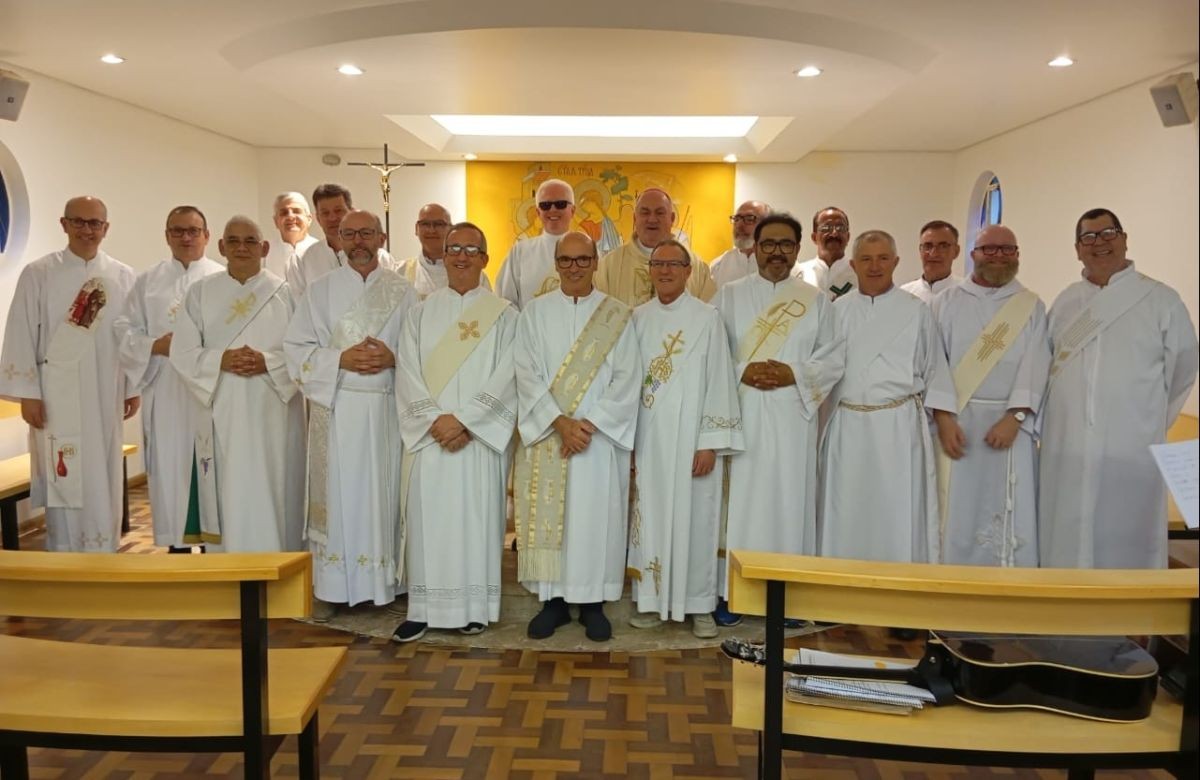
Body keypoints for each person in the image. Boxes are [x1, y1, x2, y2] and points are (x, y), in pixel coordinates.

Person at [1039, 208, 1198, 568]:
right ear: (1077, 249)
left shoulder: (1160, 300)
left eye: (1108, 233)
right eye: (1089, 237)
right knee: (1065, 534)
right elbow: (1047, 366)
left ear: (1125, 239)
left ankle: (1130, 621)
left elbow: (1184, 368)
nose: (1100, 243)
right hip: (1068, 445)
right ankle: (1062, 619)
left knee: (1126, 535)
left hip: (1131, 442)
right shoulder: (1065, 303)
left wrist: (1147, 417)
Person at [712, 213, 844, 626]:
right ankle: (732, 593)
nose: (776, 252)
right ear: (755, 246)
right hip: (742, 412)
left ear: (798, 248)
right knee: (740, 505)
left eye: (786, 244)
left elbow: (833, 357)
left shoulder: (816, 300)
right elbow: (712, 354)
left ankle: (784, 595)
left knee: (790, 500)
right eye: (768, 243)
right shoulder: (728, 296)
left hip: (792, 416)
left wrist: (793, 373)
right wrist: (741, 372)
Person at [285, 210, 416, 621]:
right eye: (349, 234)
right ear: (337, 239)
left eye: (366, 233)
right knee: (343, 497)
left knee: (385, 495)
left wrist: (394, 358)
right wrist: (339, 358)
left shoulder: (404, 291)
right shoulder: (319, 291)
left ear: (381, 237)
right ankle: (337, 586)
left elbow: (421, 349)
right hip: (338, 409)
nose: (358, 241)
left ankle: (386, 583)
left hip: (386, 411)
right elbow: (295, 348)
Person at [392, 222, 518, 641]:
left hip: (478, 440)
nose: (462, 256)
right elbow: (406, 373)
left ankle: (474, 608)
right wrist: (436, 420)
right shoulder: (420, 313)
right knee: (430, 523)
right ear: (443, 256)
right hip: (430, 439)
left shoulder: (505, 315)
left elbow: (509, 376)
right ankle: (423, 608)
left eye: (471, 249)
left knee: (476, 521)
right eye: (454, 248)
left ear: (485, 258)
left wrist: (465, 420)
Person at [513, 231, 640, 642]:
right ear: (555, 262)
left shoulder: (618, 314)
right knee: (552, 520)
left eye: (582, 260)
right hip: (551, 436)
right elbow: (525, 373)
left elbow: (627, 377)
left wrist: (587, 425)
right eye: (566, 260)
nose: (574, 268)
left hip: (597, 440)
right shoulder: (533, 313)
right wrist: (559, 422)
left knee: (594, 519)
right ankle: (552, 602)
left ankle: (592, 603)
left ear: (595, 262)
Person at [0, 196, 140, 552]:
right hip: (55, 395)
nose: (87, 230)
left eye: (95, 223)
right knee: (66, 469)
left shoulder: (122, 275)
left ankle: (103, 547)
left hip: (105, 389)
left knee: (103, 470)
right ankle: (64, 550)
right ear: (64, 224)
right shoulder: (40, 273)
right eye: (78, 222)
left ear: (106, 228)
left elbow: (129, 336)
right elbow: (20, 332)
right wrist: (28, 394)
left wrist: (131, 387)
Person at [628, 239, 743, 637]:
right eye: (657, 264)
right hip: (651, 438)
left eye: (673, 265)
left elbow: (720, 381)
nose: (664, 271)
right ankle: (650, 599)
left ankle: (699, 605)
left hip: (695, 438)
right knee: (652, 516)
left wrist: (710, 441)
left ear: (687, 270)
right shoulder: (637, 318)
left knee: (698, 519)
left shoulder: (707, 318)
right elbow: (627, 381)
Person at [169, 216, 306, 552]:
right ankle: (228, 566)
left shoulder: (286, 294)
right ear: (221, 246)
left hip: (273, 410)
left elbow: (304, 351)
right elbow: (182, 351)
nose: (242, 248)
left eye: (250, 241)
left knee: (274, 486)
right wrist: (221, 360)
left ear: (264, 247)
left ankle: (281, 565)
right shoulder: (200, 293)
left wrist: (268, 362)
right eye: (234, 241)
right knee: (230, 486)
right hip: (222, 408)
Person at [819, 230, 953, 569]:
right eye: (866, 259)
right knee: (846, 509)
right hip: (847, 426)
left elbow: (934, 368)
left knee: (896, 511)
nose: (874, 266)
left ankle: (898, 593)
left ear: (895, 262)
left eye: (882, 258)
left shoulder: (916, 311)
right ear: (853, 265)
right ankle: (841, 590)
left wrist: (947, 422)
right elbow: (821, 370)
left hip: (898, 427)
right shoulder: (836, 312)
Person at [928, 225, 1050, 567]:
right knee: (956, 507)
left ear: (1017, 255)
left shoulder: (1031, 306)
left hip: (1011, 427)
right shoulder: (945, 303)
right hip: (956, 426)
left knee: (1009, 505)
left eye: (1007, 250)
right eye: (990, 249)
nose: (999, 256)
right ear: (973, 255)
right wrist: (943, 417)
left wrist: (1016, 417)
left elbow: (1038, 363)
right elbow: (933, 361)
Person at [114, 205, 224, 553]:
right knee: (172, 464)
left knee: (211, 463)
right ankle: (176, 543)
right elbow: (123, 329)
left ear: (207, 236)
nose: (186, 237)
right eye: (178, 230)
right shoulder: (148, 281)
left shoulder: (223, 279)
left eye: (193, 230)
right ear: (167, 236)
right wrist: (154, 345)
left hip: (210, 390)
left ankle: (213, 543)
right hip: (166, 388)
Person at [595, 188, 716, 306]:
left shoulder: (697, 268)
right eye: (645, 213)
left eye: (660, 213)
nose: (652, 219)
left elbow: (706, 316)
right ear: (635, 218)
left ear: (672, 219)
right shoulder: (608, 266)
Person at [496, 179, 576, 309]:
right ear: (538, 212)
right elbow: (505, 300)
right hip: (530, 328)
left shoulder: (590, 251)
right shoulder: (520, 252)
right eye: (545, 205)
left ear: (573, 210)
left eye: (560, 204)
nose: (553, 209)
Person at [396, 203, 491, 299]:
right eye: (425, 224)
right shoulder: (400, 272)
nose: (431, 230)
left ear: (450, 229)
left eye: (439, 224)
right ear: (416, 229)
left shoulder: (475, 275)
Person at [264, 191, 338, 299]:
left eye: (296, 211)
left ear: (309, 219)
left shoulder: (324, 250)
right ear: (276, 221)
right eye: (284, 213)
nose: (290, 216)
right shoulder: (265, 252)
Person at [791, 207, 856, 300]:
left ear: (848, 237)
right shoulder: (798, 274)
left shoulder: (859, 273)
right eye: (826, 228)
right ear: (814, 237)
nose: (834, 233)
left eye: (840, 228)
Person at [709, 200, 771, 288]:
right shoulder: (718, 266)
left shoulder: (783, 265)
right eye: (736, 219)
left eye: (749, 219)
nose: (739, 225)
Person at [900, 220, 964, 303]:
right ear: (920, 250)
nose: (934, 254)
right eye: (927, 246)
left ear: (956, 251)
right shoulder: (904, 294)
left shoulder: (969, 294)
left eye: (943, 246)